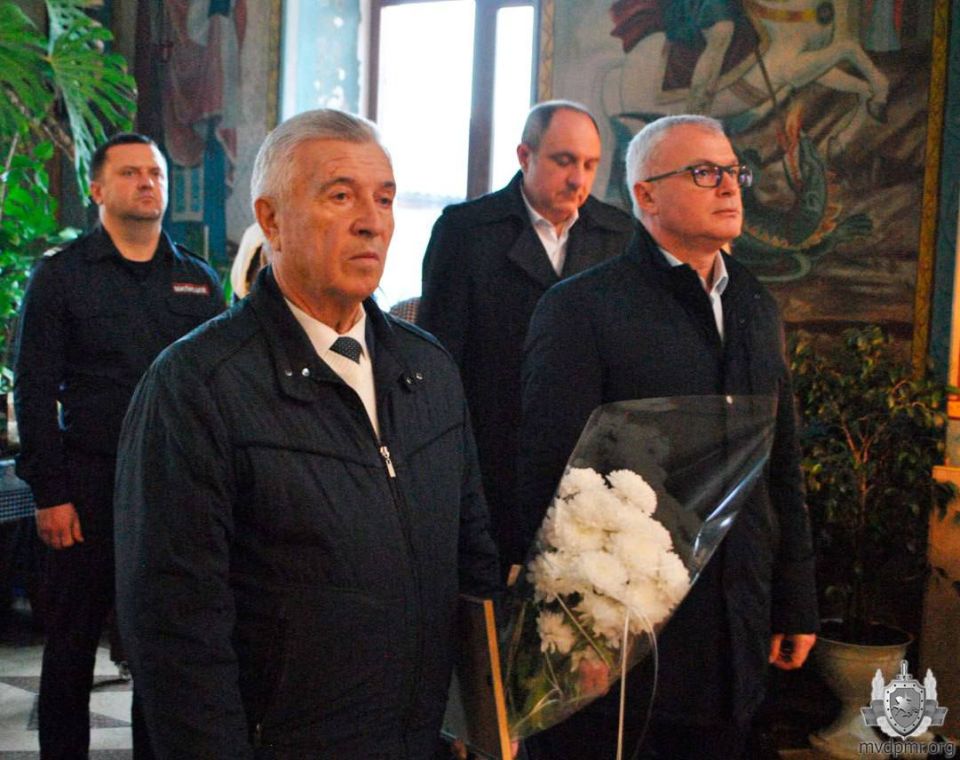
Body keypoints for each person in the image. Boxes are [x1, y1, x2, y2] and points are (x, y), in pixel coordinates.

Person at [113, 108, 501, 758]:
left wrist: (483, 724)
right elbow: (177, 632)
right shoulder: (197, 384)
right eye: (340, 196)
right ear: (270, 221)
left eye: (384, 199)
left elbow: (473, 559)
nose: (371, 221)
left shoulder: (428, 368)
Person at [517, 114, 818, 759]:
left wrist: (796, 598)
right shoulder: (582, 308)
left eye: (733, 172)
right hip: (625, 638)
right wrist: (573, 630)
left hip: (736, 617)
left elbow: (781, 463)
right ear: (646, 194)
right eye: (704, 173)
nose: (729, 186)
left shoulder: (756, 305)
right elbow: (548, 478)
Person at [13, 132, 224, 759]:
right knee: (72, 644)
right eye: (131, 173)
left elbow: (220, 388)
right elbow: (33, 391)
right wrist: (50, 494)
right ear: (98, 189)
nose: (147, 182)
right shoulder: (62, 277)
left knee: (159, 645)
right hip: (88, 486)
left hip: (172, 491)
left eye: (155, 173)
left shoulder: (197, 280)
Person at [417, 100, 634, 572]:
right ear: (524, 156)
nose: (578, 179)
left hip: (586, 467)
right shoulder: (465, 231)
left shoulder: (619, 236)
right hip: (492, 458)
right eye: (564, 161)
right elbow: (437, 361)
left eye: (590, 164)